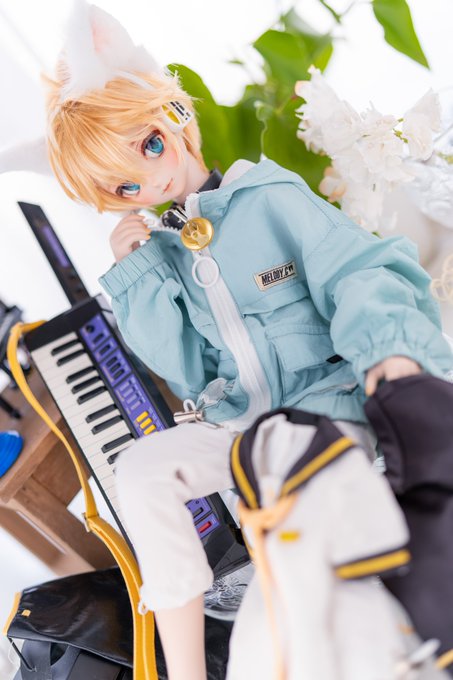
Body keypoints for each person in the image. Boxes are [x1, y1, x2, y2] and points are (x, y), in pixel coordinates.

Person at [42, 3, 453, 679]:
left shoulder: (269, 197)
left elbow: (355, 270)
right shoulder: (165, 253)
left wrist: (390, 351)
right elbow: (181, 366)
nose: (149, 180)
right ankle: (182, 666)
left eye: (149, 145)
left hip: (322, 413)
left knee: (287, 591)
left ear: (175, 115)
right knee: (139, 471)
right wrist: (138, 276)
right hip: (242, 427)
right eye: (124, 185)